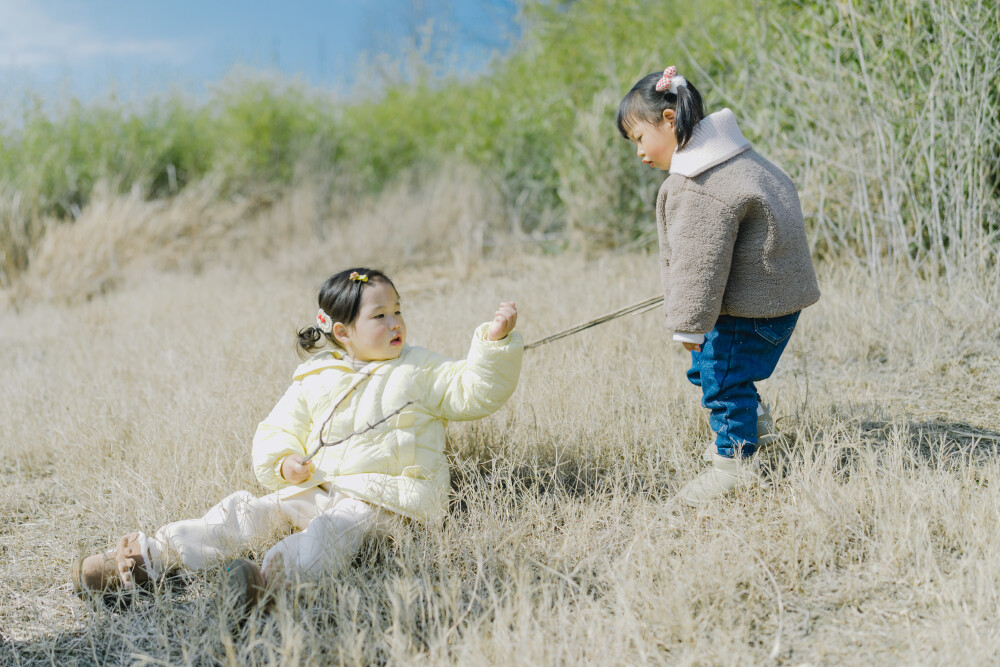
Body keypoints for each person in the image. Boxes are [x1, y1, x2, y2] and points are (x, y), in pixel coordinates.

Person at [73, 268, 522, 599]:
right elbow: (278, 427)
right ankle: (152, 558)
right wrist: (285, 462)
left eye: (398, 311)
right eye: (380, 316)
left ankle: (268, 581)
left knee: (331, 532)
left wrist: (494, 344)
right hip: (322, 486)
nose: (395, 323)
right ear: (343, 332)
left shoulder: (421, 369)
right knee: (246, 511)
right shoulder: (317, 375)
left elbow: (474, 392)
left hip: (389, 501)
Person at [617, 66, 820, 506]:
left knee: (721, 380)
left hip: (751, 308)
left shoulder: (699, 184)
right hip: (778, 298)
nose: (639, 152)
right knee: (715, 370)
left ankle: (735, 463)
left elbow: (698, 263)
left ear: (669, 120)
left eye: (638, 138)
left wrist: (689, 324)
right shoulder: (741, 160)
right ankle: (754, 424)